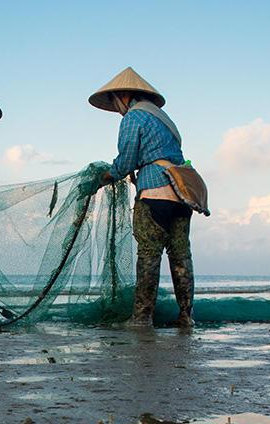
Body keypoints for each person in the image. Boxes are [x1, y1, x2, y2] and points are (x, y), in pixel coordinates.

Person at [92, 67, 196, 329]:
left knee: (149, 255)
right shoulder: (165, 121)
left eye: (116, 101)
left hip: (154, 195)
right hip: (182, 196)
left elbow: (126, 161)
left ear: (124, 95)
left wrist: (106, 177)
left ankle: (141, 318)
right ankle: (186, 316)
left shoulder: (133, 118)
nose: (117, 108)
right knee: (181, 256)